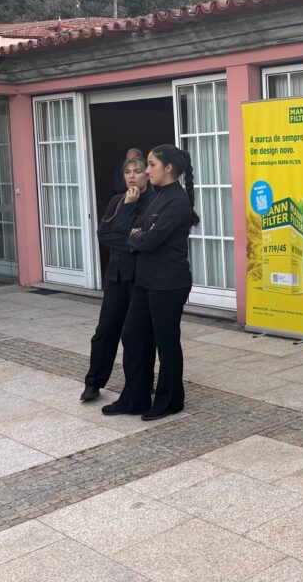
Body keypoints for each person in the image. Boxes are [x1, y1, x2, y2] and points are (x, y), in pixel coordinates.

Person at [102, 144, 199, 421]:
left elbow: (149, 240)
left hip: (168, 283)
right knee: (133, 335)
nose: (146, 171)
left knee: (166, 343)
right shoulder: (157, 196)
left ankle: (171, 400)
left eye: (151, 165)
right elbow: (129, 230)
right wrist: (137, 231)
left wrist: (138, 235)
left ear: (168, 168)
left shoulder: (177, 201)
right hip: (144, 280)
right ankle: (135, 397)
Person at [80, 155, 152, 401]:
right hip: (116, 275)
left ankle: (140, 384)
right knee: (105, 331)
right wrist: (132, 242)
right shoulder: (117, 200)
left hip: (140, 278)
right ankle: (93, 382)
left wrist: (131, 211)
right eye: (127, 172)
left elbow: (144, 238)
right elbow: (104, 235)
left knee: (138, 335)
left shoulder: (153, 201)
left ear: (147, 174)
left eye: (137, 171)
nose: (132, 176)